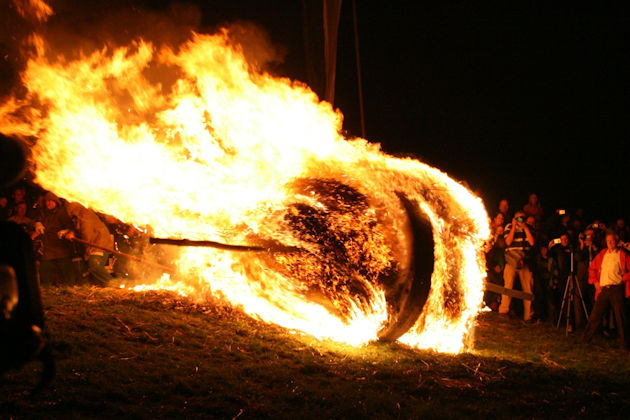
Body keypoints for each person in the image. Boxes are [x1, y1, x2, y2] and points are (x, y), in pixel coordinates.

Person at [581, 231, 630, 350]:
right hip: (604, 289)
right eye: (608, 241)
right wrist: (596, 282)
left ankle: (625, 344)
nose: (610, 243)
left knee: (620, 316)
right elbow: (592, 268)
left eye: (612, 240)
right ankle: (585, 340)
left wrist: (623, 278)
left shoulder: (623, 255)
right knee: (595, 315)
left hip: (616, 288)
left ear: (617, 241)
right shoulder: (603, 254)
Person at [63, 202, 115, 287]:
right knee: (91, 265)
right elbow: (79, 229)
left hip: (100, 243)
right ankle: (101, 285)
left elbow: (86, 235)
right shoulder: (78, 216)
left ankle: (113, 283)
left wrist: (87, 253)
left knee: (94, 263)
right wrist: (70, 232)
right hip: (95, 243)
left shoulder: (84, 215)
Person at [32, 192, 77, 286]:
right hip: (48, 249)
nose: (48, 203)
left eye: (51, 201)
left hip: (61, 249)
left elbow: (71, 225)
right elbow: (37, 219)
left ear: (56, 202)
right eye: (47, 201)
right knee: (44, 271)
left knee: (67, 273)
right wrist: (37, 223)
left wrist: (66, 231)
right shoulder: (44, 213)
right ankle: (47, 289)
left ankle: (69, 289)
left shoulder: (62, 212)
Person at [499, 211, 536, 321]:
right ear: (514, 218)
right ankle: (503, 312)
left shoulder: (528, 228)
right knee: (508, 286)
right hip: (511, 260)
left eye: (522, 218)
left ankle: (528, 315)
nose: (521, 220)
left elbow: (532, 242)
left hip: (524, 261)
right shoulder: (509, 227)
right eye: (518, 218)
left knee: (528, 288)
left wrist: (525, 228)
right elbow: (508, 242)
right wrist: (514, 227)